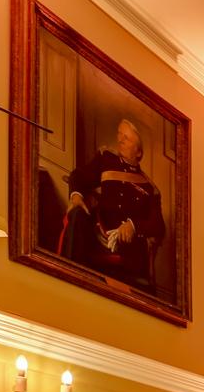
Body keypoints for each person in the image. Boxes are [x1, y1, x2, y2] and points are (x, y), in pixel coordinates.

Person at [58, 119, 166, 290]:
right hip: (96, 233)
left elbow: (158, 225)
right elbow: (79, 176)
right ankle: (68, 279)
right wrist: (76, 197)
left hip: (127, 247)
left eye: (126, 138)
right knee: (77, 214)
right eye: (119, 135)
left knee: (137, 257)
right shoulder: (106, 159)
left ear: (138, 152)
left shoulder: (150, 188)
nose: (120, 140)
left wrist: (133, 226)